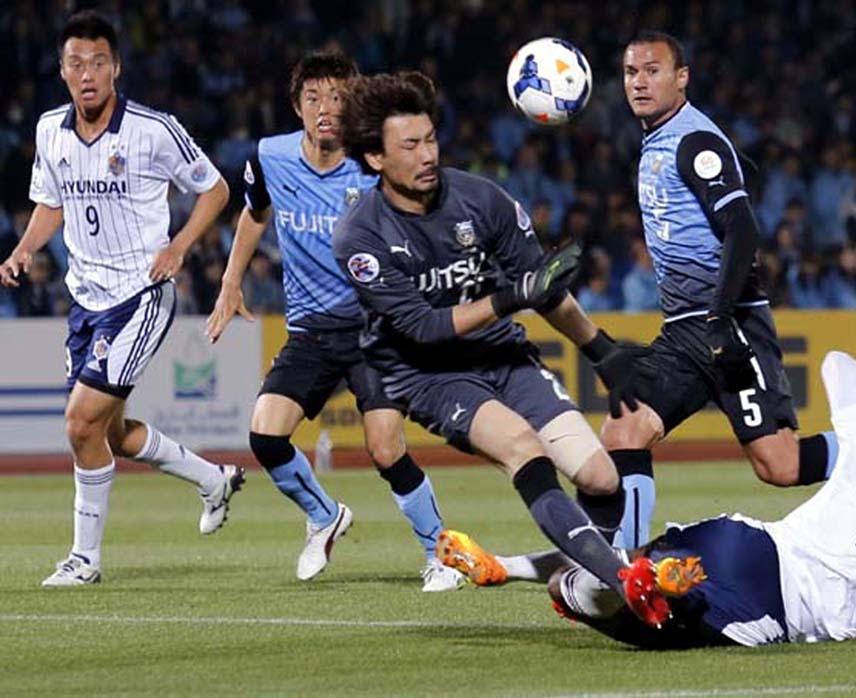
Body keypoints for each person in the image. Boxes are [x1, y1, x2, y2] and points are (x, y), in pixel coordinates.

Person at [594, 30, 856, 550]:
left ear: (681, 77)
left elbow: (742, 226)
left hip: (728, 324)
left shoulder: (694, 141)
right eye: (630, 72)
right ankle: (621, 567)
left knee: (779, 465)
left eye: (652, 70)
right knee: (623, 432)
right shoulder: (659, 141)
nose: (639, 82)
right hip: (685, 329)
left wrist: (719, 317)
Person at [332, 71, 664, 626]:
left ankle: (583, 578)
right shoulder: (360, 236)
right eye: (409, 146)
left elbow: (544, 286)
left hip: (504, 358)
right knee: (522, 448)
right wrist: (512, 298)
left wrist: (601, 351)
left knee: (602, 479)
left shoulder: (481, 199)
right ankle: (622, 581)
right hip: (429, 375)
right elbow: (423, 327)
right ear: (375, 159)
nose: (427, 154)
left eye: (431, 139)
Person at [438, 352, 856, 649]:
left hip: (744, 541)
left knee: (627, 565)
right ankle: (607, 590)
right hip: (775, 608)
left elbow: (838, 364)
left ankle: (516, 568)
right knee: (634, 616)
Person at [205, 51, 462, 591]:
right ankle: (324, 515)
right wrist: (231, 282)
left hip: (375, 330)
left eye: (338, 97)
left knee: (385, 447)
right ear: (296, 106)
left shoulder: (373, 163)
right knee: (265, 436)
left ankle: (441, 555)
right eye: (314, 97)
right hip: (311, 330)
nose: (326, 108)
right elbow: (254, 213)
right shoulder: (270, 157)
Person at [0, 12, 241, 586]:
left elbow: (217, 189)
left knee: (80, 423)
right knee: (108, 432)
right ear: (62, 71)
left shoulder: (153, 129)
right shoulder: (49, 131)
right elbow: (51, 203)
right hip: (86, 302)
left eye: (98, 63)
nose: (88, 74)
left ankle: (85, 560)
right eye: (76, 63)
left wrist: (181, 245)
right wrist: (25, 249)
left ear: (116, 69)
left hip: (142, 297)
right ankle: (214, 479)